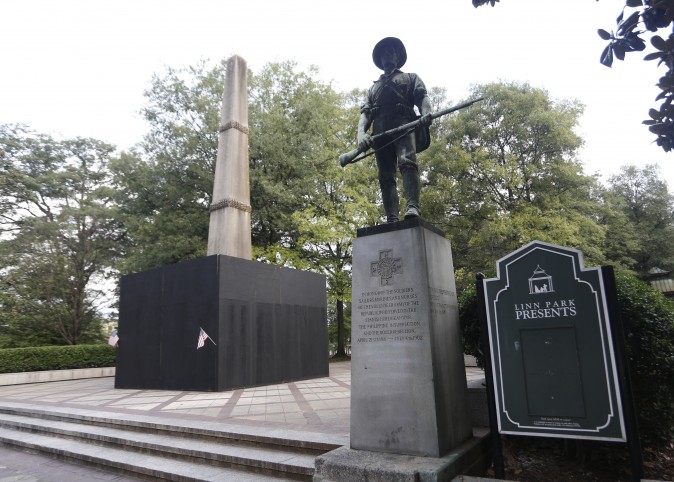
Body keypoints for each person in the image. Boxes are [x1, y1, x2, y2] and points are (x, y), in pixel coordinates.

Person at [357, 37, 433, 223]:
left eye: (390, 51)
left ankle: (413, 207)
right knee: (385, 176)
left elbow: (422, 98)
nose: (386, 54)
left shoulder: (410, 78)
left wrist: (426, 113)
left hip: (404, 125)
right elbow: (365, 115)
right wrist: (361, 133)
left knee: (407, 163)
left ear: (398, 56)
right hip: (381, 133)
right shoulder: (373, 88)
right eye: (383, 52)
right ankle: (391, 216)